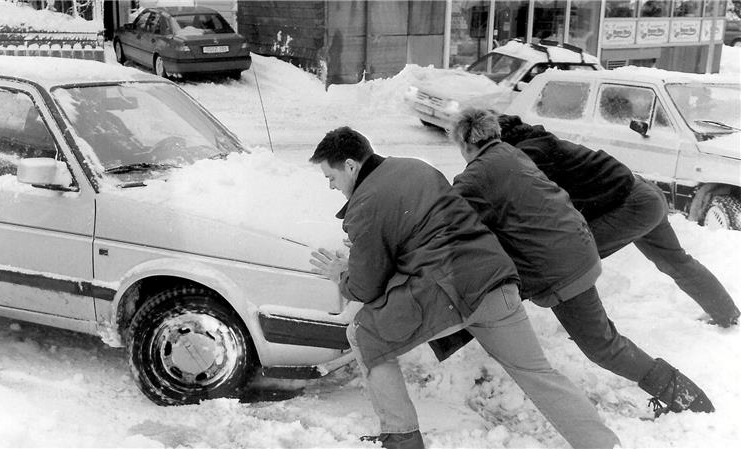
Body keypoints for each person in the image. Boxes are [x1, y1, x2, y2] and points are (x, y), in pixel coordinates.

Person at [308, 126, 620, 449]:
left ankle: (401, 438)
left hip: (447, 294)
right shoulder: (416, 166)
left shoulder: (364, 204)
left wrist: (342, 273)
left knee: (362, 334)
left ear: (350, 165)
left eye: (331, 177)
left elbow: (365, 287)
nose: (331, 186)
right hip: (496, 282)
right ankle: (603, 444)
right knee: (538, 373)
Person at [448, 108, 715, 418]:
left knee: (602, 346)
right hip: (579, 248)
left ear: (466, 143)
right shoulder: (514, 153)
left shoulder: (480, 172)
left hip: (559, 269)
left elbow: (448, 215)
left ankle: (686, 397)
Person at [497, 113, 740, 328]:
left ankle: (592, 331)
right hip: (645, 194)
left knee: (574, 260)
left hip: (632, 205)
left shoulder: (526, 155)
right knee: (677, 261)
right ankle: (726, 314)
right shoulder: (538, 142)